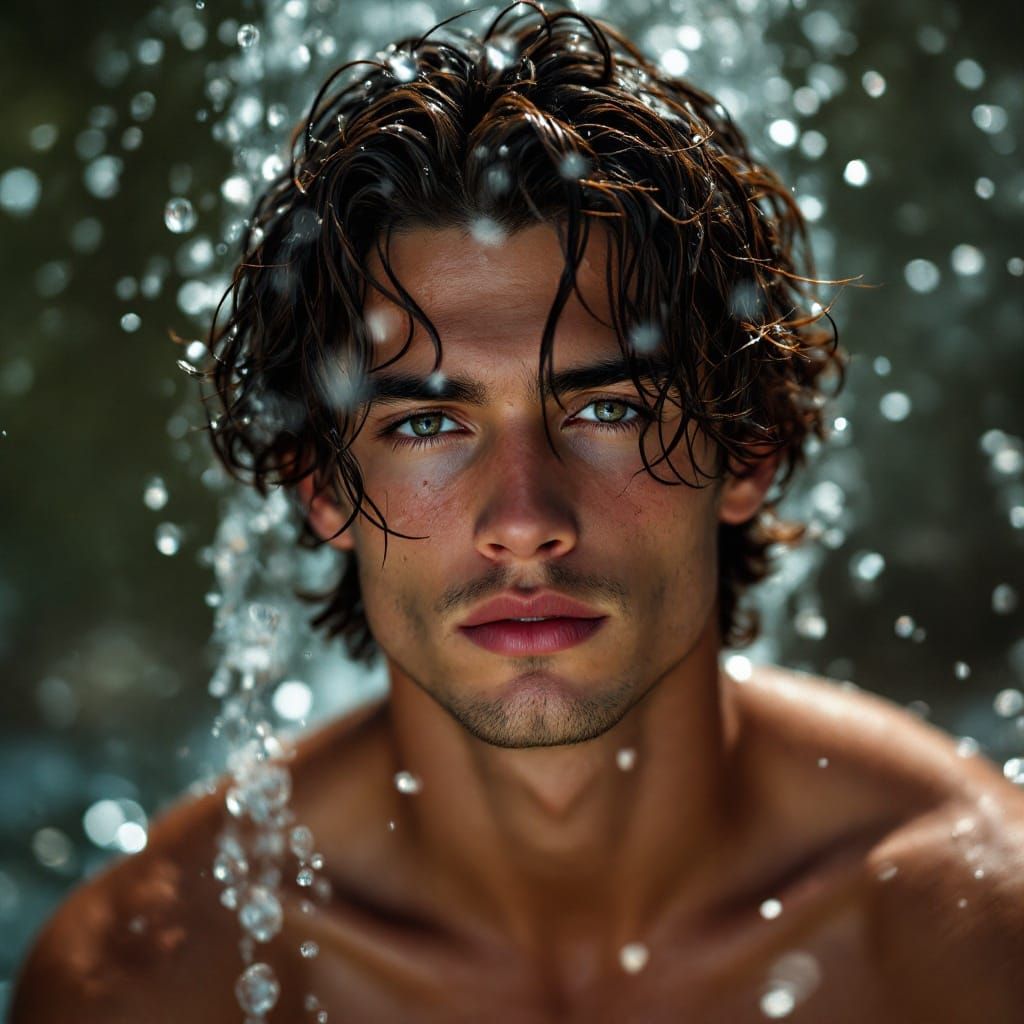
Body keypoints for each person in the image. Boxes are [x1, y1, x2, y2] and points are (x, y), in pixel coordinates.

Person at [11, 4, 1024, 1021]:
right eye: (426, 426)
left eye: (608, 408)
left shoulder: (965, 935)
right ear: (321, 484)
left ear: (750, 447)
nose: (525, 519)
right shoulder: (155, 981)